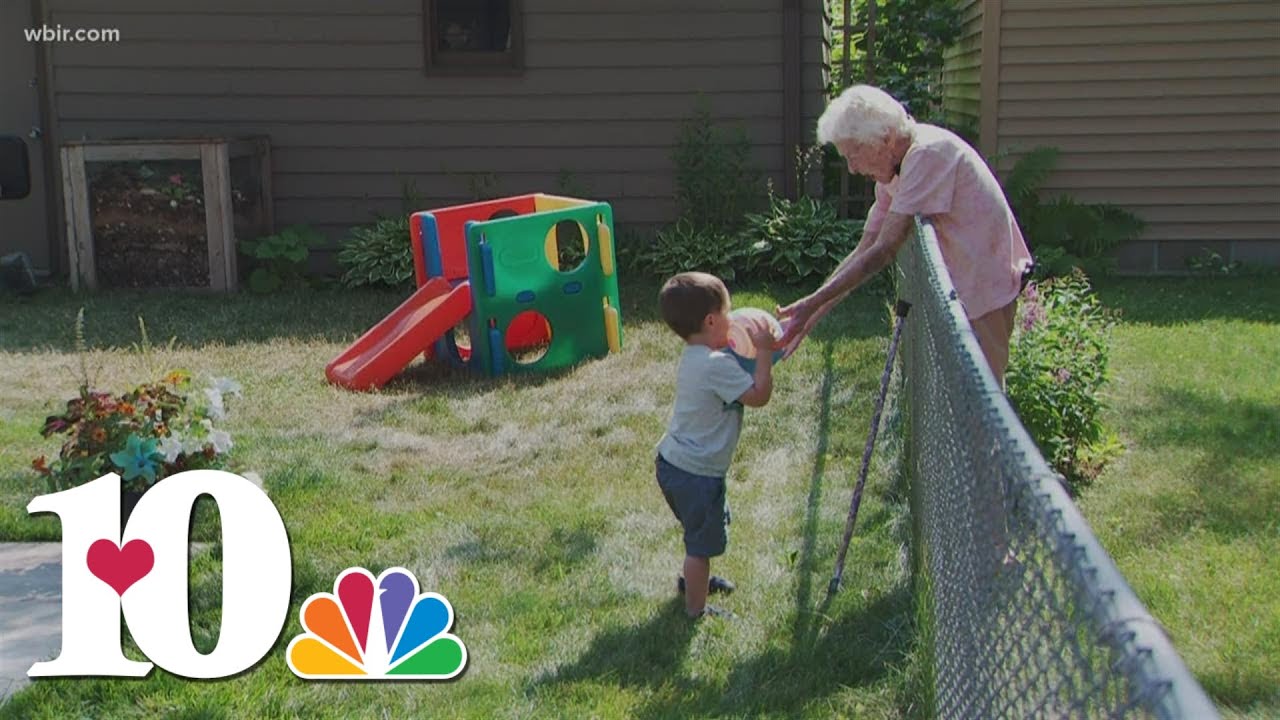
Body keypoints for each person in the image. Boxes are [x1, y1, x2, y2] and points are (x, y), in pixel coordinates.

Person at [776, 84, 1032, 384]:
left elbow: (883, 250)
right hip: (962, 293)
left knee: (982, 404)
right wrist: (811, 313)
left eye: (853, 155)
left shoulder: (926, 155)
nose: (853, 168)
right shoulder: (895, 170)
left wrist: (812, 304)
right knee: (958, 402)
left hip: (984, 293)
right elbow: (865, 247)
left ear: (884, 139)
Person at [655, 272, 777, 619]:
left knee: (700, 530)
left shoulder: (696, 356)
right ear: (711, 321)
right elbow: (758, 397)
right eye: (729, 311)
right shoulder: (716, 366)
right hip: (696, 472)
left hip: (673, 463)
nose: (734, 318)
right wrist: (765, 353)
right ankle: (697, 608)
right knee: (700, 545)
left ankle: (696, 579)